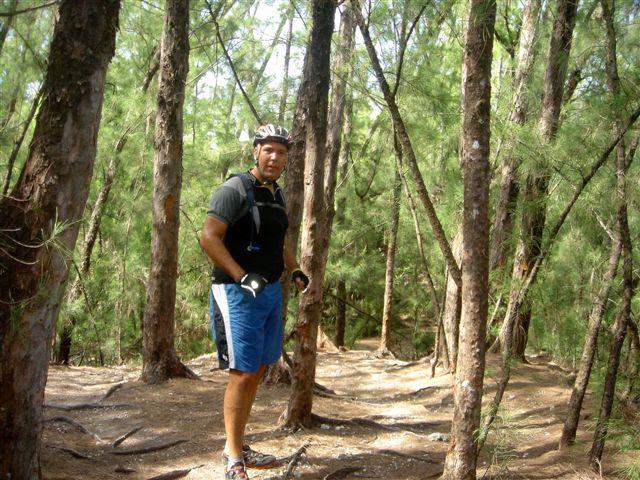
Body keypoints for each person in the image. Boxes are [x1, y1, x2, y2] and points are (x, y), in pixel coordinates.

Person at [199, 124, 309, 480]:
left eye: (281, 153)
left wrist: (294, 269)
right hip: (236, 293)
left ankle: (239, 444)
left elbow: (280, 239)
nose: (275, 158)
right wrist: (239, 275)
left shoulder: (276, 194)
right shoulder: (234, 190)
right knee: (243, 371)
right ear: (256, 152)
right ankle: (232, 455)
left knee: (260, 368)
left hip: (271, 291)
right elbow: (209, 237)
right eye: (269, 150)